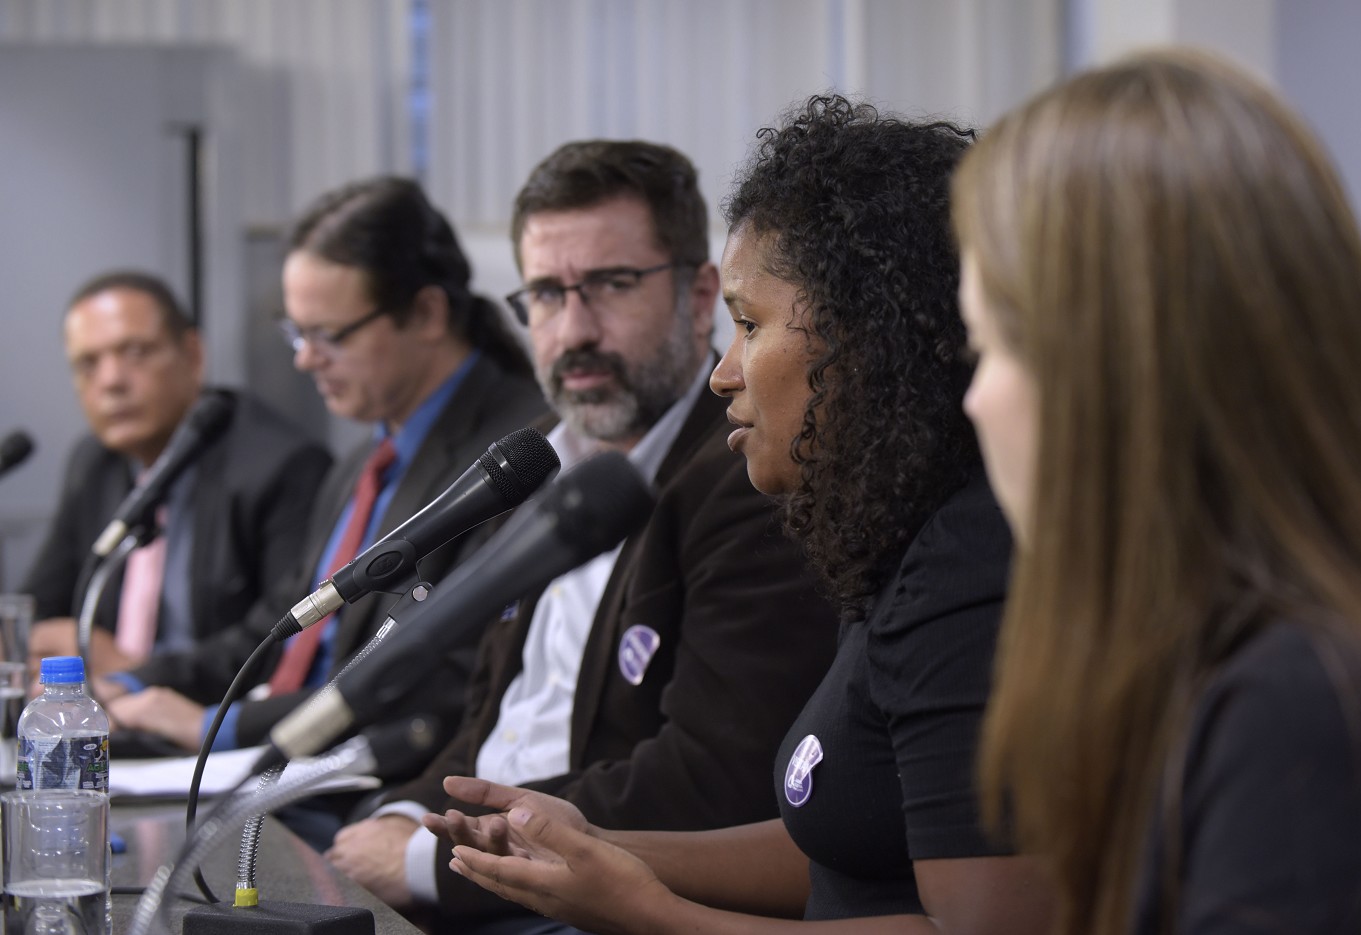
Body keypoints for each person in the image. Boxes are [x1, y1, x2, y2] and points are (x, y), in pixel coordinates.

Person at [430, 99, 1053, 932]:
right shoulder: (894, 539)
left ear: (868, 341)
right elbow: (839, 850)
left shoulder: (967, 565)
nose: (726, 373)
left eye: (750, 325)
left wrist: (643, 908)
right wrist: (600, 846)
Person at [324, 139, 840, 933]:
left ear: (701, 294)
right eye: (545, 294)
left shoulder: (748, 472)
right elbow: (490, 727)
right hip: (483, 873)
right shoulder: (529, 464)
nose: (573, 329)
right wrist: (403, 817)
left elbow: (713, 779)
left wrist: (433, 861)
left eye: (609, 285)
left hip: (596, 900)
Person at [953, 51, 1361, 934]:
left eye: (987, 347)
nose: (974, 398)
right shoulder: (1220, 661)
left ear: (1113, 370)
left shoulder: (1301, 708)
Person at [97, 177, 549, 776]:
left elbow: (437, 674)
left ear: (427, 313)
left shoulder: (508, 460)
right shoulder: (360, 462)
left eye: (328, 336)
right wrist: (133, 685)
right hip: (280, 762)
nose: (304, 359)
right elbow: (279, 625)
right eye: (296, 333)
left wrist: (217, 726)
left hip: (377, 785)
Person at [22, 271, 331, 680]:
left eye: (135, 352)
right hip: (115, 718)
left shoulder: (281, 465)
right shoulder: (94, 462)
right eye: (88, 364)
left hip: (212, 724)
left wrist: (137, 674)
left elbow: (282, 639)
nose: (111, 381)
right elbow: (40, 605)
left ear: (193, 354)